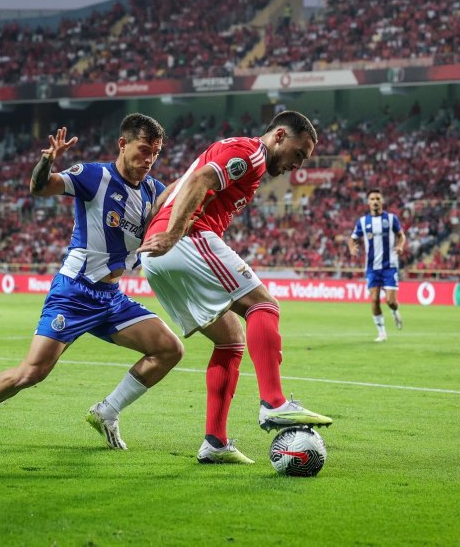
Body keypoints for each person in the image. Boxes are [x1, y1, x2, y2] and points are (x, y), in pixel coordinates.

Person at [0, 115, 183, 451]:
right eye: (143, 150)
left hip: (111, 298)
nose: (149, 160)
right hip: (74, 292)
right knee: (32, 373)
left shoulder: (153, 191)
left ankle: (107, 411)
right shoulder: (94, 176)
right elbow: (40, 187)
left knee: (169, 349)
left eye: (155, 153)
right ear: (123, 145)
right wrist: (46, 160)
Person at [139, 110, 332, 465]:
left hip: (160, 253)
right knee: (265, 306)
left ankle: (215, 442)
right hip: (186, 239)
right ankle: (274, 403)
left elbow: (175, 187)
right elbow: (199, 180)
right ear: (278, 136)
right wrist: (172, 234)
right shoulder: (252, 154)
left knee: (230, 341)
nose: (296, 165)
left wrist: (154, 232)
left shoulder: (237, 154)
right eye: (298, 154)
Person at [349, 189, 406, 341]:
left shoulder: (392, 219)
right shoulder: (362, 222)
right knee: (374, 299)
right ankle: (382, 333)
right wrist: (352, 247)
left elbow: (401, 236)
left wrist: (400, 246)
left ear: (382, 201)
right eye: (372, 199)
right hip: (372, 268)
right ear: (368, 202)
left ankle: (395, 311)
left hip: (390, 266)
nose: (375, 201)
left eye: (377, 198)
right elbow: (352, 238)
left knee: (390, 301)